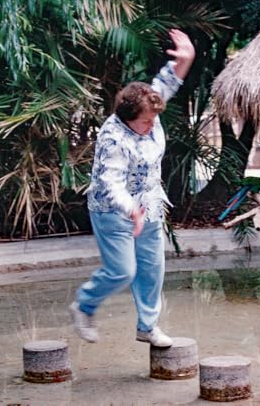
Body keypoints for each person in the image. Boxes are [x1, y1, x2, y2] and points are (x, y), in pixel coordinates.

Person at [69, 29, 195, 347]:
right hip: (114, 211)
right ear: (127, 119)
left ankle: (147, 327)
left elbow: (168, 82)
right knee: (123, 271)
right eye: (145, 123)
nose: (152, 126)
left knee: (152, 269)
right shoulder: (113, 137)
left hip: (149, 202)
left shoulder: (147, 106)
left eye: (154, 119)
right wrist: (131, 210)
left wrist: (186, 59)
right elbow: (111, 182)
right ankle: (84, 305)